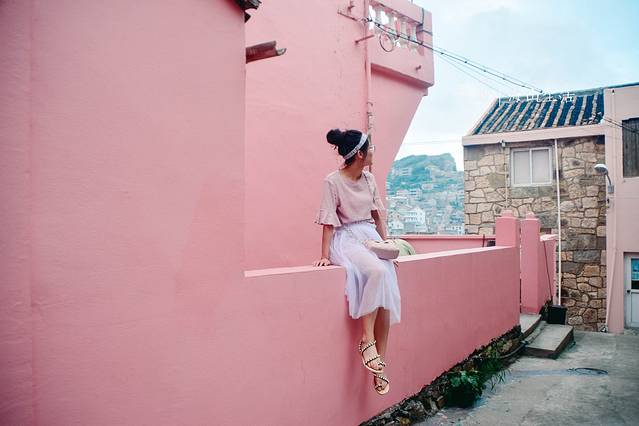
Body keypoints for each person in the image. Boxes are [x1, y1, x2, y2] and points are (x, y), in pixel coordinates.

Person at [313, 128, 401, 395]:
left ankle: (380, 365)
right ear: (360, 154)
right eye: (370, 148)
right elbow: (329, 222)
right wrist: (324, 256)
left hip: (370, 238)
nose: (373, 152)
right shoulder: (332, 181)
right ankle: (367, 339)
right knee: (377, 272)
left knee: (386, 294)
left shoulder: (369, 179)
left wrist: (386, 246)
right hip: (347, 239)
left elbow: (377, 216)